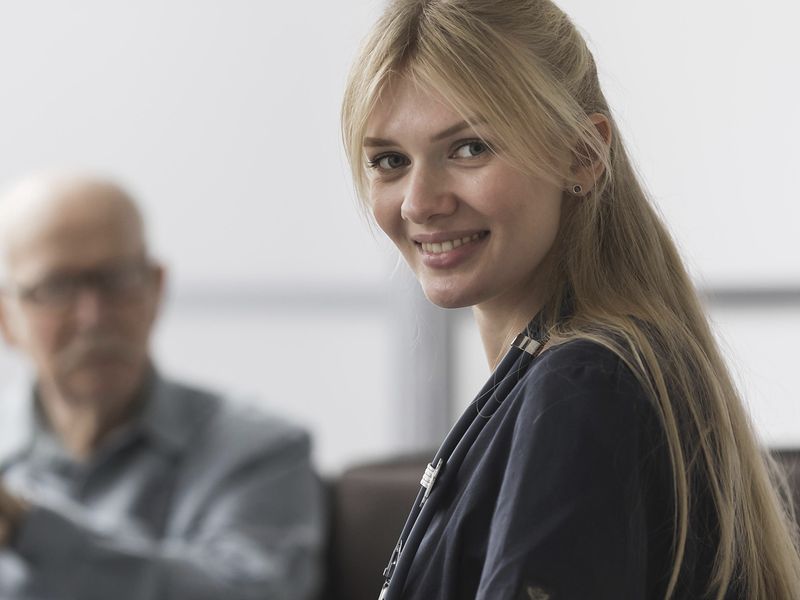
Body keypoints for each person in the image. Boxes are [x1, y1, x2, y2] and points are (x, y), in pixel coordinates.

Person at [341, 1, 800, 598]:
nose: (419, 202)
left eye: (469, 148)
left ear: (582, 154)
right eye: (390, 161)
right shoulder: (581, 372)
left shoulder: (584, 384)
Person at [0, 173, 324, 600]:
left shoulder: (259, 450)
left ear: (156, 288)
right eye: (56, 288)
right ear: (7, 319)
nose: (93, 317)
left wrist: (27, 528)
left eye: (115, 279)